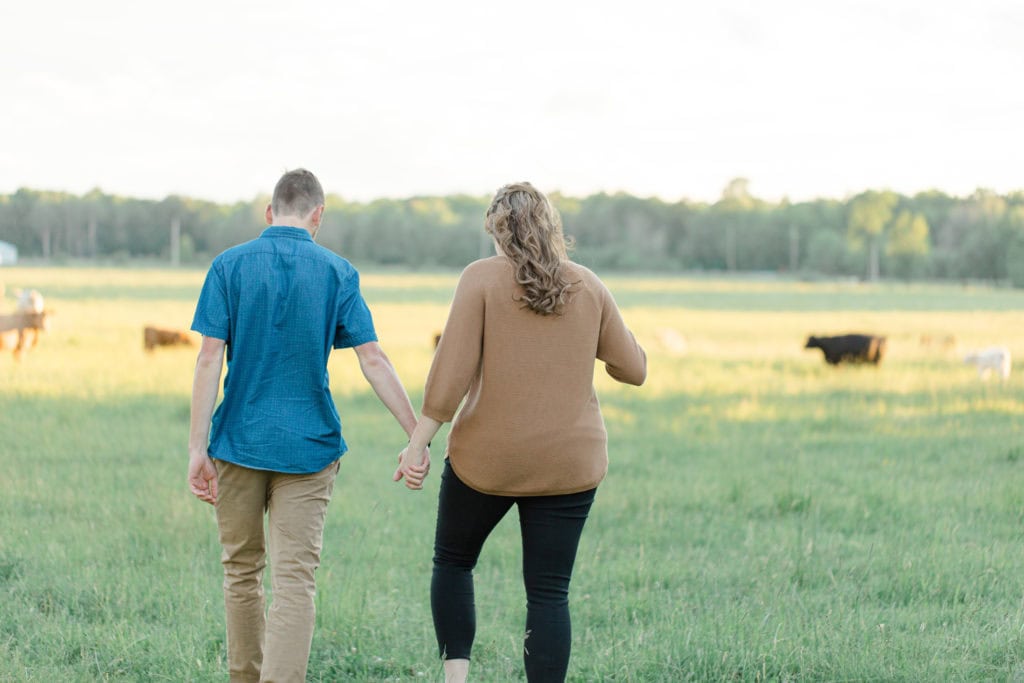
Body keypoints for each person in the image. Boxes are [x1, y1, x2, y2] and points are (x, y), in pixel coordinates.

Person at [395, 182, 647, 682]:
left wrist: (417, 442)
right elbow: (634, 368)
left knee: (453, 562)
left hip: (486, 462)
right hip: (569, 466)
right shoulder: (588, 284)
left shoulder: (480, 279)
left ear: (496, 230)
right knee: (550, 592)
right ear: (552, 229)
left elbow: (451, 374)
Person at [188, 168, 428, 682]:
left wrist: (196, 449)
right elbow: (374, 360)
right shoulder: (338, 271)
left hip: (235, 443)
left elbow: (209, 359)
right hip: (310, 448)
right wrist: (416, 435)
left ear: (270, 213)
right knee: (294, 582)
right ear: (318, 216)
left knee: (240, 572)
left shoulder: (228, 266)